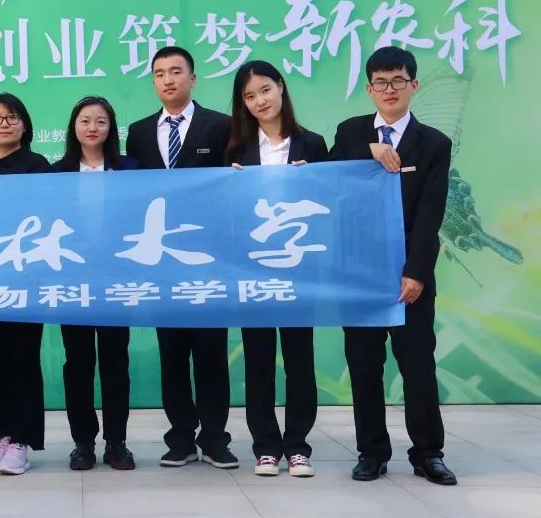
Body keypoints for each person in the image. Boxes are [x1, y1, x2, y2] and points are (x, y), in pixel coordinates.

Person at [329, 46, 456, 486]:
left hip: (409, 276)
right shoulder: (351, 132)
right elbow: (328, 176)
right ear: (369, 89)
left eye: (398, 80)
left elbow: (430, 214)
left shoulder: (434, 143)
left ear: (413, 85)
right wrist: (368, 150)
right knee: (364, 366)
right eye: (380, 82)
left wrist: (416, 272)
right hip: (360, 274)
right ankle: (371, 453)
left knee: (418, 366)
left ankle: (428, 453)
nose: (389, 89)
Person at [124, 46, 237, 470]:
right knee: (171, 354)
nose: (167, 79)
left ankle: (215, 439)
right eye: (159, 73)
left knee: (211, 354)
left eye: (175, 71)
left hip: (208, 258)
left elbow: (236, 187)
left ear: (192, 78)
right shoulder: (138, 132)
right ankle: (180, 439)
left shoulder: (221, 125)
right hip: (160, 262)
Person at [225, 61, 327, 478]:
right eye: (250, 96)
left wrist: (313, 182)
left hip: (300, 268)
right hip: (253, 270)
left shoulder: (313, 144)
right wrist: (229, 184)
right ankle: (266, 447)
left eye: (265, 90)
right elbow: (225, 214)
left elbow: (331, 203)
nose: (260, 101)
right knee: (259, 359)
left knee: (300, 358)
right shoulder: (236, 149)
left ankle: (298, 446)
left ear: (281, 87)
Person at [53, 96, 138, 471]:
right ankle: (83, 442)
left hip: (117, 280)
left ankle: (117, 442)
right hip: (73, 281)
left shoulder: (130, 169)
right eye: (85, 120)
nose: (92, 127)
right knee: (78, 362)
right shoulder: (57, 173)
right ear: (74, 127)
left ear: (111, 128)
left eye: (101, 121)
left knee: (116, 360)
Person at [0, 93, 51, 476]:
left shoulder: (39, 167)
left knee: (23, 358)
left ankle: (22, 440)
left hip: (26, 280)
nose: (3, 124)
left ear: (24, 124)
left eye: (11, 117)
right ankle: (3, 435)